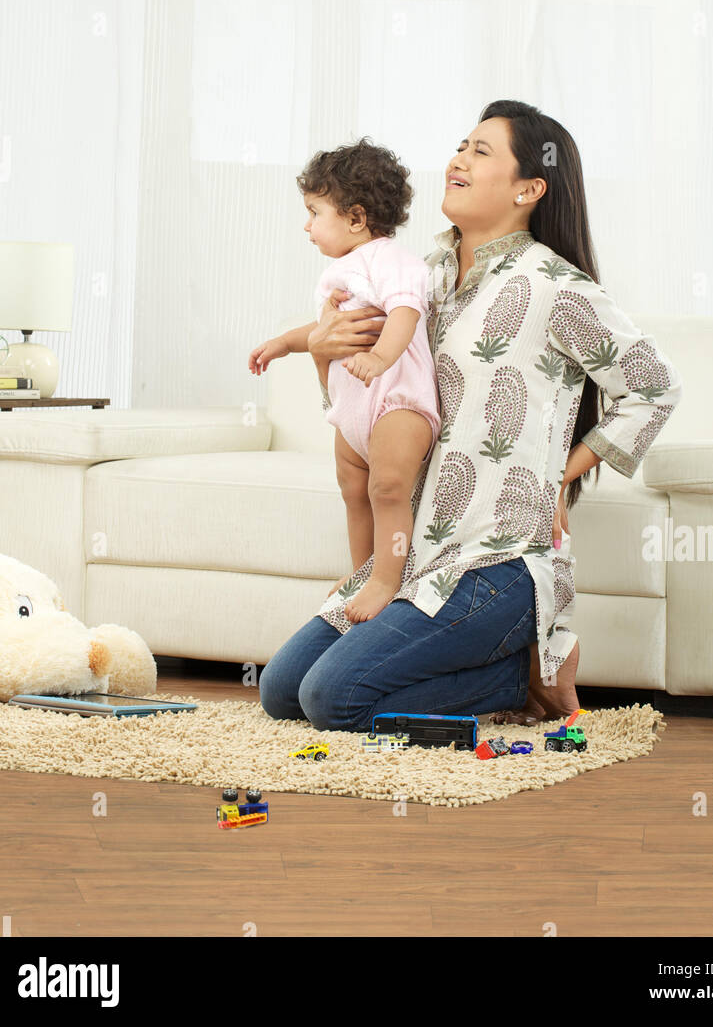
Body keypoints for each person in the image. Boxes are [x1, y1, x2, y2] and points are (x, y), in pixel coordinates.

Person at [258, 100, 683, 731]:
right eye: (461, 145)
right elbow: (364, 406)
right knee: (283, 690)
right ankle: (504, 669)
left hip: (498, 563)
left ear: (528, 188)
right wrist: (319, 353)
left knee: (335, 700)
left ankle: (521, 671)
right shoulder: (414, 275)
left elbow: (653, 387)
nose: (458, 158)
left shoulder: (557, 287)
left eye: (481, 151)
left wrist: (560, 477)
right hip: (415, 556)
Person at [249, 138, 441, 623]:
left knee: (388, 489)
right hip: (355, 411)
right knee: (353, 490)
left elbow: (405, 311)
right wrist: (283, 343)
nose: (307, 225)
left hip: (398, 401)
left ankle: (386, 580)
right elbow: (323, 331)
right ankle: (364, 571)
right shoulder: (342, 271)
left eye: (315, 212)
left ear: (356, 218)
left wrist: (379, 357)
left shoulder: (390, 259)